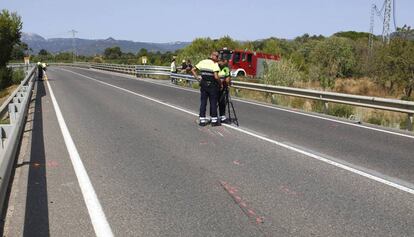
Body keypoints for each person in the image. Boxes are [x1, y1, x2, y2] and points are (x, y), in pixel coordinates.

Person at [192, 52, 221, 126]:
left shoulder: (202, 62)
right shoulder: (215, 64)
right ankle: (214, 121)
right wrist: (220, 83)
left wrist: (198, 78)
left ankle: (202, 120)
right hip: (212, 85)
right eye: (217, 56)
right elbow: (216, 76)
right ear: (212, 56)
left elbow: (193, 70)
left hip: (203, 84)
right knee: (213, 102)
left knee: (203, 102)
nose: (217, 58)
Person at [218, 59, 231, 123]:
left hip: (215, 88)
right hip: (222, 88)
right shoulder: (226, 68)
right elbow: (228, 80)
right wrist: (228, 84)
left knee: (214, 102)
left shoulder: (215, 67)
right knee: (222, 102)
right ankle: (222, 117)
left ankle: (213, 117)